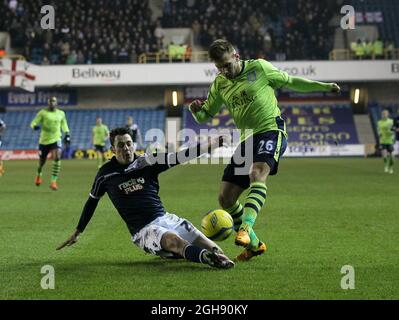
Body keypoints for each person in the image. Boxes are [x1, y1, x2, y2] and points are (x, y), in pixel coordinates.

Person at [189, 39, 341, 261]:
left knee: (256, 174)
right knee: (225, 198)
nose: (224, 71)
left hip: (271, 130)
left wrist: (324, 87)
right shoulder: (220, 84)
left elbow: (291, 82)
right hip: (246, 139)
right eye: (218, 67)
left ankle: (246, 228)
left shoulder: (259, 68)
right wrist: (195, 111)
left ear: (236, 57)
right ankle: (255, 246)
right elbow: (204, 116)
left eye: (226, 64)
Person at [57, 127, 234, 269]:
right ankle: (208, 260)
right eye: (121, 145)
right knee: (174, 241)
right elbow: (92, 201)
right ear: (112, 149)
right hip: (143, 230)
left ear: (133, 144)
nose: (126, 148)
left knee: (201, 239)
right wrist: (78, 231)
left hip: (166, 218)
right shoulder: (105, 175)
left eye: (128, 143)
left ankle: (217, 256)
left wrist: (212, 144)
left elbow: (181, 156)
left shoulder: (148, 162)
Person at [30, 97, 70, 190]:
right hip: (44, 140)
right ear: (48, 103)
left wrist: (67, 133)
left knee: (57, 157)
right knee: (41, 162)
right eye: (50, 102)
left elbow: (64, 124)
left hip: (56, 138)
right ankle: (38, 175)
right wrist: (34, 126)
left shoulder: (61, 113)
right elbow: (33, 122)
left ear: (56, 103)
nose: (52, 103)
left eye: (54, 101)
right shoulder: (42, 113)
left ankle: (53, 181)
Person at [377, 110, 395, 174]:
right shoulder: (379, 122)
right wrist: (379, 134)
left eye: (385, 114)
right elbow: (378, 130)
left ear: (388, 114)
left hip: (389, 140)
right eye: (383, 114)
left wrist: (391, 132)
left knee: (391, 156)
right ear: (382, 115)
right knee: (384, 154)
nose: (384, 115)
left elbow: (393, 130)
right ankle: (386, 166)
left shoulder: (391, 121)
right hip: (382, 140)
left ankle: (391, 168)